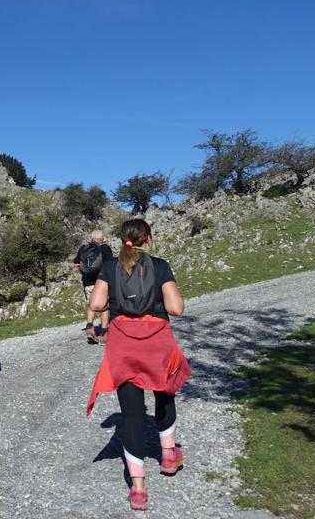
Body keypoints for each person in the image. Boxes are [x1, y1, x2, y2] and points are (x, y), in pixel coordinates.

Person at [85, 219, 190, 511]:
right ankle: (168, 455)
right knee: (164, 393)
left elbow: (95, 303)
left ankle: (139, 489)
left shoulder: (109, 267)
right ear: (149, 239)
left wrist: (112, 304)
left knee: (131, 414)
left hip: (122, 343)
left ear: (123, 241)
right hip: (158, 341)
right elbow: (176, 309)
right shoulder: (160, 266)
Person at [72, 230, 113, 342]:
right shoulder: (105, 248)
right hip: (102, 283)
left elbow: (76, 263)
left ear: (92, 238)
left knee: (91, 305)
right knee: (105, 307)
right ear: (101, 239)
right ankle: (104, 333)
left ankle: (90, 327)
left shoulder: (83, 248)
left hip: (87, 283)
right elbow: (111, 265)